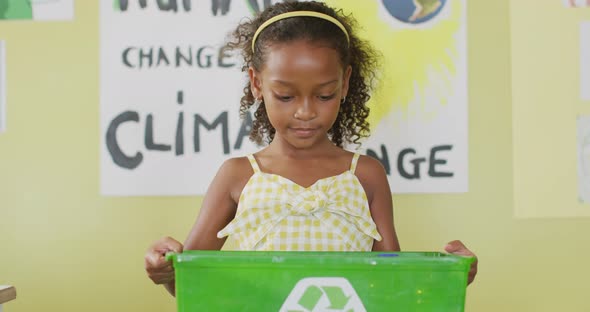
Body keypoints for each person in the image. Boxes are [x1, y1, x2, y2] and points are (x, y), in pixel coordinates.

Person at [144, 1, 478, 296]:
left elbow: (391, 285)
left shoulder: (366, 175)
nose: (305, 112)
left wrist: (450, 276)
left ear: (344, 83)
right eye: (286, 96)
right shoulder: (237, 176)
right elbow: (192, 282)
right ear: (257, 83)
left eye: (324, 95)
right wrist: (166, 273)